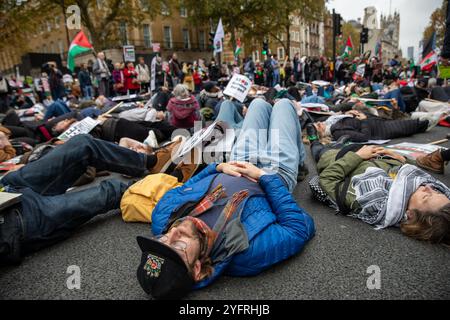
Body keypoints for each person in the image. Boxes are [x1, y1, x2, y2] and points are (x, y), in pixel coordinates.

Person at [135, 97, 314, 299]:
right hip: (276, 170)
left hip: (238, 160)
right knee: (283, 105)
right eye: (178, 246)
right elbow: (299, 228)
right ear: (197, 269)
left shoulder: (162, 219)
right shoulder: (246, 254)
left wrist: (218, 167)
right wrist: (264, 178)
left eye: (164, 239)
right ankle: (299, 162)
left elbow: (185, 187)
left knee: (258, 104)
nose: (175, 232)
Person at [0, 134, 187, 265]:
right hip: (13, 221)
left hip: (6, 186)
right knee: (112, 191)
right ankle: (168, 183)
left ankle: (152, 162)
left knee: (83, 144)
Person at [306, 125, 450, 245]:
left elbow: (327, 178)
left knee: (319, 150)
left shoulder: (369, 200)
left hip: (336, 157)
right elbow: (410, 169)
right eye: (437, 192)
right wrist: (400, 158)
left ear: (410, 215)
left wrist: (358, 156)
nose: (428, 187)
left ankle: (314, 140)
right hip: (363, 151)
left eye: (426, 196)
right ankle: (338, 142)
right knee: (342, 142)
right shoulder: (410, 187)